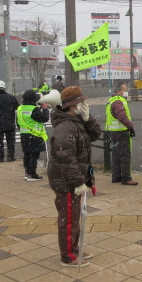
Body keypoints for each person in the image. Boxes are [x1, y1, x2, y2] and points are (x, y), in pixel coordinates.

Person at [47, 86, 102, 268]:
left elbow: (95, 134)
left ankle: (75, 249)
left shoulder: (77, 121)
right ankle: (68, 256)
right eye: (82, 102)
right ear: (72, 105)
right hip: (67, 181)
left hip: (73, 178)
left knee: (74, 217)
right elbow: (65, 157)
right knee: (69, 220)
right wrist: (77, 181)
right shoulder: (66, 126)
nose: (85, 105)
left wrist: (88, 119)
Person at [106, 83, 138, 185]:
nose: (126, 91)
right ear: (119, 91)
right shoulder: (118, 102)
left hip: (114, 132)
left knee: (116, 155)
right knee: (125, 155)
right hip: (121, 132)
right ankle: (126, 178)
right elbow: (122, 117)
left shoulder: (112, 101)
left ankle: (116, 176)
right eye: (125, 89)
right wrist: (131, 127)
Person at [17, 90, 50, 181]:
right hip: (34, 135)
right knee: (34, 154)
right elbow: (44, 118)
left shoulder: (20, 108)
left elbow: (18, 123)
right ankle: (32, 174)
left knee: (27, 154)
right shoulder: (33, 109)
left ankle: (27, 173)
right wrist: (45, 108)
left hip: (24, 135)